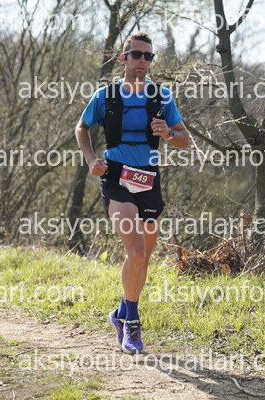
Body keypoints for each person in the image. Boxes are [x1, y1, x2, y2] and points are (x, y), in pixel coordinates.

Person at [75, 32, 191, 353]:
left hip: (149, 180)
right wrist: (91, 159)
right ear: (123, 58)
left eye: (148, 56)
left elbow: (185, 139)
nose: (143, 61)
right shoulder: (106, 95)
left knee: (143, 260)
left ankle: (120, 313)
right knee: (136, 252)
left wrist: (168, 134)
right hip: (116, 178)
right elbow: (82, 127)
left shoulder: (162, 96)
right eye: (137, 55)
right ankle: (132, 325)